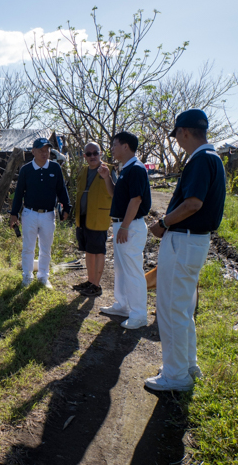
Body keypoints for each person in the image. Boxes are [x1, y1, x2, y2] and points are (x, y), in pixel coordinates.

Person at [144, 109, 226, 392]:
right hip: (195, 241)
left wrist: (163, 223)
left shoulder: (201, 160)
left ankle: (175, 375)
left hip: (184, 240)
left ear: (184, 132)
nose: (177, 140)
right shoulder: (213, 158)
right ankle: (187, 364)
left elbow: (193, 204)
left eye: (177, 134)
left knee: (170, 308)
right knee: (183, 307)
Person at [98, 132, 151, 329]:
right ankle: (122, 306)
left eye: (114, 144)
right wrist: (106, 178)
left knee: (133, 271)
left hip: (131, 225)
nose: (112, 148)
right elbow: (115, 195)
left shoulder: (136, 169)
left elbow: (136, 200)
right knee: (121, 269)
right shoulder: (125, 169)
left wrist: (125, 226)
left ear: (126, 146)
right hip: (122, 224)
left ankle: (138, 315)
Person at [10, 137, 71, 288]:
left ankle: (43, 276)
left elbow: (61, 190)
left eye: (47, 150)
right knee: (28, 247)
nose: (45, 153)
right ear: (33, 152)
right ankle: (27, 276)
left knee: (46, 248)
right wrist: (14, 213)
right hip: (30, 213)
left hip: (48, 214)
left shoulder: (55, 168)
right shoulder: (26, 170)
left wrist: (67, 208)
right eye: (41, 150)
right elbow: (18, 193)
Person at [72, 142, 114, 298]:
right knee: (88, 251)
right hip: (83, 217)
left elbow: (115, 193)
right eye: (88, 154)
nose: (92, 156)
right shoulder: (83, 171)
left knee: (98, 252)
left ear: (100, 153)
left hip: (99, 218)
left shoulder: (108, 170)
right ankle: (90, 281)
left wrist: (107, 176)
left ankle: (96, 285)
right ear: (84, 156)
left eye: (95, 153)